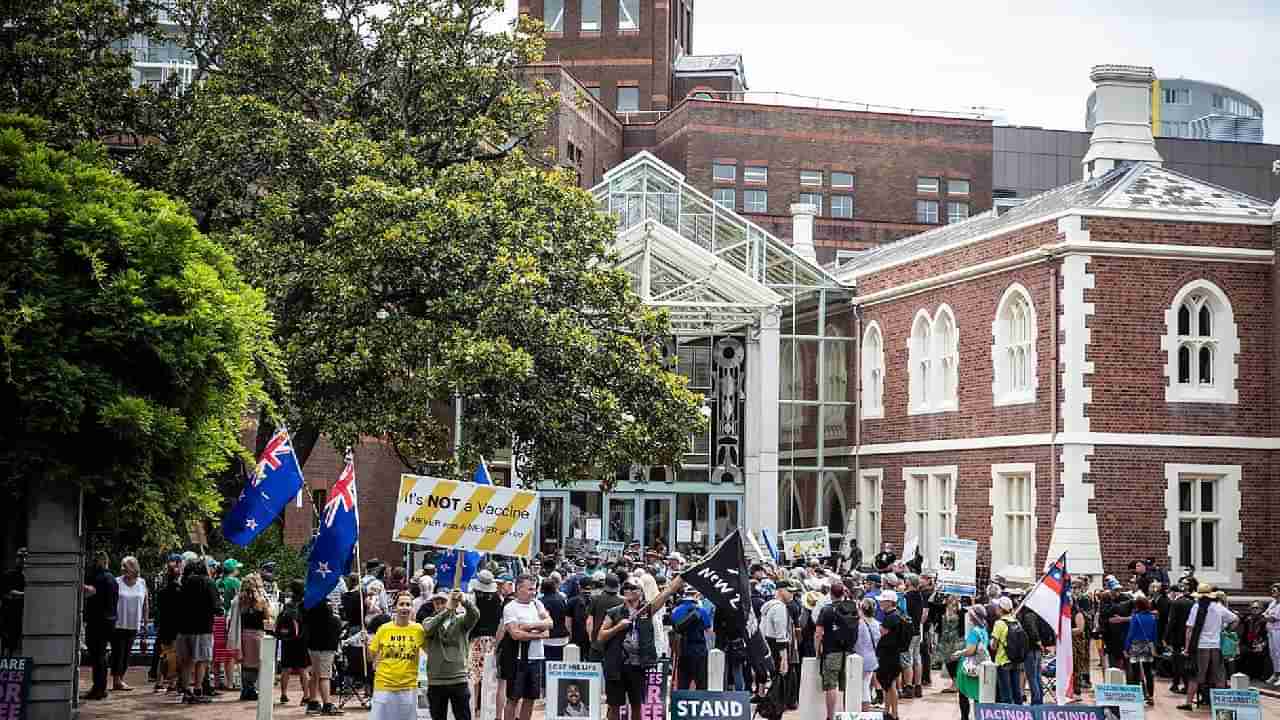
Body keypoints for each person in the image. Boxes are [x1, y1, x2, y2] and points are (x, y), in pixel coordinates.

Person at [597, 576, 681, 720]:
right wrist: (618, 627)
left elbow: (667, 592)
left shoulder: (646, 610)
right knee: (614, 706)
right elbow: (601, 636)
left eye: (633, 588)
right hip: (616, 665)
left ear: (641, 591)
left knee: (637, 705)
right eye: (626, 587)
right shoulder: (614, 612)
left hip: (638, 666)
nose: (629, 590)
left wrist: (683, 576)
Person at [368, 591, 427, 720]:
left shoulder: (419, 630)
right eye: (401, 604)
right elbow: (372, 653)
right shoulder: (384, 629)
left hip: (408, 687)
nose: (405, 607)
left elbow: (429, 650)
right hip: (384, 685)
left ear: (412, 608)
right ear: (395, 607)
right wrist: (375, 661)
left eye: (408, 604)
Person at [1178, 583, 1237, 711]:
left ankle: (1188, 703)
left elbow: (1189, 630)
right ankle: (1220, 704)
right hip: (1216, 645)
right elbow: (1235, 619)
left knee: (1196, 675)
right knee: (1219, 676)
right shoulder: (1218, 607)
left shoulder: (1196, 607)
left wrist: (1187, 648)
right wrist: (1225, 630)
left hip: (1200, 646)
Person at [500, 575, 552, 720]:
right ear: (519, 588)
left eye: (535, 589)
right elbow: (515, 634)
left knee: (531, 698)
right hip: (517, 659)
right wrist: (540, 634)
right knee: (513, 698)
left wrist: (528, 627)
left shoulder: (537, 604)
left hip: (537, 657)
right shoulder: (510, 607)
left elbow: (549, 623)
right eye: (530, 589)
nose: (533, 592)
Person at [423, 589, 479, 720]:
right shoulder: (428, 621)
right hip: (436, 680)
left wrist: (464, 601)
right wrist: (447, 611)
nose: (440, 605)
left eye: (443, 602)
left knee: (463, 717)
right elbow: (428, 629)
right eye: (436, 603)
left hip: (458, 678)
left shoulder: (461, 621)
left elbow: (475, 615)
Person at [175, 555, 219, 704]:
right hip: (202, 627)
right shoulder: (209, 583)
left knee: (187, 661)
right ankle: (198, 689)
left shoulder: (185, 582)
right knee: (202, 660)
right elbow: (216, 607)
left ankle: (186, 690)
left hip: (183, 627)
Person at [814, 582, 858, 720]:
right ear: (844, 593)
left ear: (831, 594)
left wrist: (817, 651)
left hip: (831, 650)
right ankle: (847, 715)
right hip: (849, 651)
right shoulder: (852, 608)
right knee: (847, 686)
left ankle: (830, 716)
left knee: (831, 685)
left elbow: (818, 633)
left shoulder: (826, 610)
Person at [227, 572, 273, 701]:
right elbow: (269, 616)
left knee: (246, 663)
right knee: (257, 663)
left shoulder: (239, 600)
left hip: (242, 634)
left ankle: (246, 689)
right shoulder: (261, 600)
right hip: (257, 634)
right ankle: (253, 688)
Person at [81, 551, 117, 700]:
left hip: (97, 621)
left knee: (97, 657)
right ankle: (100, 688)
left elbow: (91, 592)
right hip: (109, 620)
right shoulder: (112, 578)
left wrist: (77, 583)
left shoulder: (99, 578)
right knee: (101, 655)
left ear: (99, 562)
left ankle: (98, 689)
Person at [304, 587, 344, 716]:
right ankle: (327, 704)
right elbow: (339, 631)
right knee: (325, 676)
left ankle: (313, 702)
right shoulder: (334, 621)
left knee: (315, 674)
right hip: (326, 649)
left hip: (313, 647)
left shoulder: (309, 616)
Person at [111, 556, 148, 692]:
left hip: (134, 624)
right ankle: (117, 680)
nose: (123, 569)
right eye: (122, 567)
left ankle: (120, 679)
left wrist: (145, 623)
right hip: (119, 623)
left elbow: (146, 605)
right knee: (118, 653)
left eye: (125, 567)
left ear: (134, 568)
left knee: (127, 653)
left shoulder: (142, 583)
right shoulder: (117, 582)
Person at [948, 605, 989, 720]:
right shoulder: (983, 629)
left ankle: (964, 717)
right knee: (977, 694)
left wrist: (958, 653)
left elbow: (971, 650)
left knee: (963, 693)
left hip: (968, 666)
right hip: (980, 665)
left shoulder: (974, 631)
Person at [276, 580, 312, 706]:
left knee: (286, 668)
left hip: (288, 639)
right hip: (301, 640)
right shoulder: (306, 604)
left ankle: (283, 694)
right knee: (303, 669)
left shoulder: (287, 605)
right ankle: (306, 696)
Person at [671, 587, 712, 690]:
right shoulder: (701, 610)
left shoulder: (676, 610)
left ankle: (681, 701)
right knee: (701, 681)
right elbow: (707, 627)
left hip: (684, 648)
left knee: (683, 680)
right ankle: (700, 702)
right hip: (699, 648)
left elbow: (674, 627)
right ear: (695, 596)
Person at [153, 553, 183, 693]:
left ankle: (159, 681)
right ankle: (172, 682)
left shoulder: (162, 591)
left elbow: (159, 609)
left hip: (164, 625)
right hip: (175, 626)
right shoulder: (179, 591)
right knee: (173, 655)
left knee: (163, 654)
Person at [875, 589, 905, 720]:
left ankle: (894, 713)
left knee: (890, 684)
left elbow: (881, 633)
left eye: (883, 601)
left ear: (890, 602)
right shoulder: (896, 615)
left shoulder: (891, 617)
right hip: (892, 653)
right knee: (887, 684)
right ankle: (888, 711)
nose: (880, 603)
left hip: (889, 654)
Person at [1125, 594, 1158, 706]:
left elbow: (1130, 633)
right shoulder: (1152, 617)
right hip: (1148, 645)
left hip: (1135, 646)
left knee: (1135, 672)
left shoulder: (1135, 617)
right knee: (1148, 672)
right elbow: (1154, 635)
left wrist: (1126, 647)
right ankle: (1150, 696)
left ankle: (1137, 696)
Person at [991, 596, 1024, 705]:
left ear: (1001, 609)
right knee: (1017, 692)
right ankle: (1020, 714)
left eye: (997, 607)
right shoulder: (1016, 621)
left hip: (1003, 661)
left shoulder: (999, 623)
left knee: (1006, 694)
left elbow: (994, 646)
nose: (996, 609)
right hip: (1016, 661)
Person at [1167, 578, 1196, 695]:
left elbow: (1172, 621)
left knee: (1179, 661)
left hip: (1180, 636)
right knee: (1180, 661)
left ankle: (1183, 684)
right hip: (1187, 636)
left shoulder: (1179, 602)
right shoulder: (1192, 602)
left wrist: (1166, 637)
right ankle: (1176, 683)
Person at [587, 574, 623, 661]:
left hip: (597, 643)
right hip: (615, 643)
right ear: (618, 586)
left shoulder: (595, 599)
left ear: (605, 585)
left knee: (594, 671)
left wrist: (591, 639)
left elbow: (589, 621)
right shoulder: (622, 601)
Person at [853, 598, 880, 712]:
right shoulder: (877, 624)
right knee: (866, 686)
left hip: (859, 658)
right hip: (872, 658)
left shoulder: (859, 624)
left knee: (862, 688)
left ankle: (864, 713)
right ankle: (865, 712)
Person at [935, 594, 965, 693]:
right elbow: (932, 605)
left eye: (954, 596)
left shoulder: (962, 610)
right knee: (947, 661)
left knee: (955, 661)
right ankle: (954, 682)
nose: (952, 598)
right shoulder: (942, 608)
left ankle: (956, 683)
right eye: (950, 596)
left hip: (957, 640)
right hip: (944, 640)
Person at [1, 547, 26, 656]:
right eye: (20, 557)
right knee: (9, 648)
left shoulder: (34, 576)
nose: (23, 560)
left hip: (28, 617)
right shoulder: (9, 575)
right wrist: (28, 595)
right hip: (11, 618)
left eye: (26, 557)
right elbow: (8, 593)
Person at [540, 577, 569, 662]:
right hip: (562, 637)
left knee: (547, 667)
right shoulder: (563, 599)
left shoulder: (541, 602)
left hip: (547, 638)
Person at [1265, 584, 1280, 685]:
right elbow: (1265, 613)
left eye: (1274, 591)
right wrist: (1267, 616)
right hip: (1271, 630)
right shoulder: (1273, 603)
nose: (1272, 593)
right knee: (1272, 653)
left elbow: (1272, 618)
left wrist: (1267, 616)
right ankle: (1275, 674)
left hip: (1278, 630)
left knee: (1279, 653)